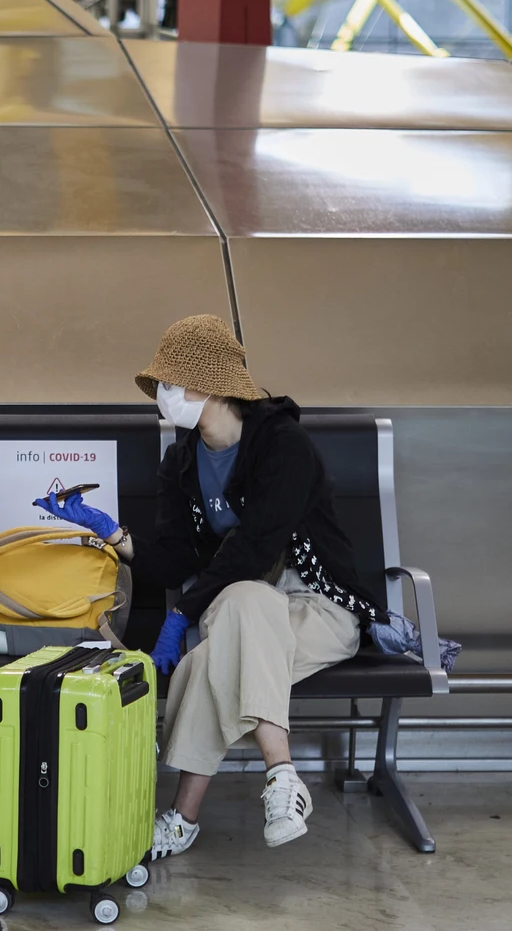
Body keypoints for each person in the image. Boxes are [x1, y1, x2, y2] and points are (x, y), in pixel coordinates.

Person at [34, 315, 383, 858]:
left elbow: (257, 548)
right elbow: (175, 561)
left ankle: (183, 817)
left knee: (207, 661)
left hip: (318, 607)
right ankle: (283, 776)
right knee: (245, 603)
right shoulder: (181, 462)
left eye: (172, 383)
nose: (164, 395)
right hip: (236, 602)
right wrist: (114, 534)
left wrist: (180, 618)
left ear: (212, 385)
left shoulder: (283, 446)